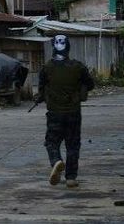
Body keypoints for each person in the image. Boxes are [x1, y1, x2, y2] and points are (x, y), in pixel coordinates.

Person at [36, 34, 95, 188]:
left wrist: (42, 97)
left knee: (51, 142)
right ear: (68, 47)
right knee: (73, 145)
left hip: (54, 113)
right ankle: (71, 178)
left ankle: (56, 161)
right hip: (73, 113)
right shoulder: (78, 67)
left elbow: (41, 90)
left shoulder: (46, 68)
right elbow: (90, 84)